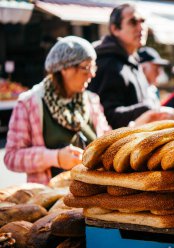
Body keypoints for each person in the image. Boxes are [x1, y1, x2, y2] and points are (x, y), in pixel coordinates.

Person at [4, 36, 111, 185]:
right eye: (86, 67)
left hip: (95, 191)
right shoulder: (29, 103)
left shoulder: (91, 100)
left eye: (93, 67)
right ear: (64, 68)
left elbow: (107, 140)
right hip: (52, 199)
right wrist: (55, 157)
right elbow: (11, 157)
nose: (92, 74)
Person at [88, 3, 174, 129]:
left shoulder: (132, 60)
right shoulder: (109, 63)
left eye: (143, 21)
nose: (141, 27)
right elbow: (107, 117)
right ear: (115, 29)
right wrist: (148, 108)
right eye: (133, 22)